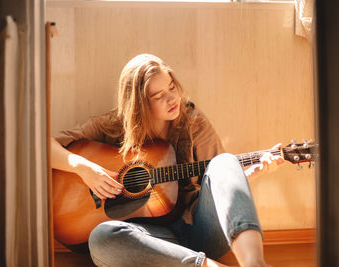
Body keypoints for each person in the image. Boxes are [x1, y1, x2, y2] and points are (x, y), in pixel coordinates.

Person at [51, 53, 284, 267]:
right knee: (101, 238)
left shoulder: (193, 122)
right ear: (139, 104)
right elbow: (44, 146)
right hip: (151, 241)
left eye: (172, 87)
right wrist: (85, 168)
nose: (172, 98)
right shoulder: (112, 127)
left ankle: (254, 262)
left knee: (223, 161)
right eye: (158, 96)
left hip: (199, 229)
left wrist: (245, 175)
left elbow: (219, 178)